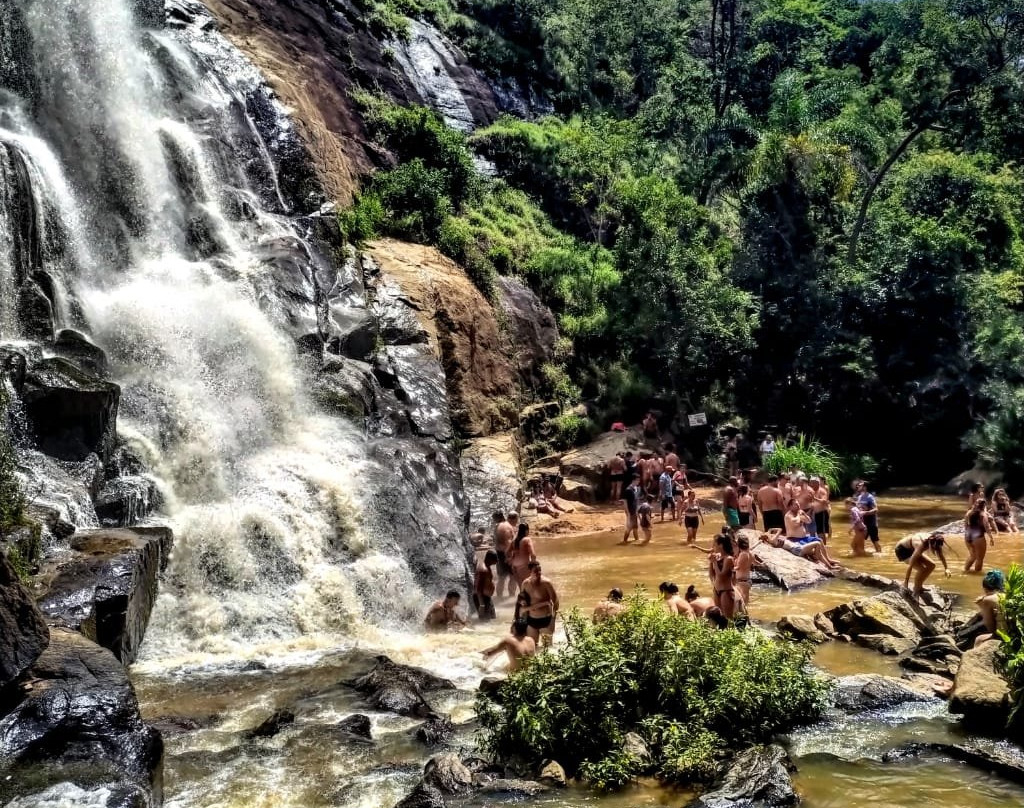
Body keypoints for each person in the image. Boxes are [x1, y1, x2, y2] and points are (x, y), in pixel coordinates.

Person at [896, 532, 950, 598]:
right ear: (930, 543)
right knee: (921, 569)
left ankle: (920, 586)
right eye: (934, 548)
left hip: (913, 549)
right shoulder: (920, 545)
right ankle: (916, 591)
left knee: (932, 565)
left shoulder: (936, 541)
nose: (934, 550)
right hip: (902, 550)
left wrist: (946, 568)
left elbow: (941, 555)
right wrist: (906, 583)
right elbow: (910, 565)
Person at [521, 561, 559, 643]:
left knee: (547, 647)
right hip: (531, 620)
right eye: (535, 571)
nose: (539, 573)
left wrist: (553, 619)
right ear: (529, 572)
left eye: (540, 570)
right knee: (533, 647)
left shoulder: (546, 583)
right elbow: (522, 604)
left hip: (546, 620)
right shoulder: (525, 584)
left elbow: (555, 602)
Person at [765, 531, 841, 569]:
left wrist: (769, 532)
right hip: (797, 549)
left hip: (798, 547)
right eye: (768, 535)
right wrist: (771, 530)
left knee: (818, 552)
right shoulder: (773, 541)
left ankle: (829, 566)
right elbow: (780, 530)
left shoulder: (775, 540)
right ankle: (817, 557)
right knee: (817, 543)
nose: (770, 534)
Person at [709, 532, 738, 619]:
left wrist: (714, 562)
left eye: (715, 543)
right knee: (718, 617)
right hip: (716, 590)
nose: (713, 546)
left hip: (726, 591)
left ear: (721, 545)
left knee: (728, 618)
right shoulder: (717, 557)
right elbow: (711, 575)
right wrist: (711, 562)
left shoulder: (728, 559)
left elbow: (721, 576)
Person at [963, 497, 995, 574]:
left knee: (972, 556)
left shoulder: (969, 512)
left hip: (968, 535)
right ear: (984, 506)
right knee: (979, 559)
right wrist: (991, 538)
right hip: (978, 536)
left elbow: (965, 525)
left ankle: (965, 571)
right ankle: (977, 575)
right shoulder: (983, 514)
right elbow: (987, 526)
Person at [974, 569, 1005, 645]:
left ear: (985, 588)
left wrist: (982, 607)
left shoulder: (988, 600)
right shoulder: (1009, 595)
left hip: (1003, 637)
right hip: (1016, 634)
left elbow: (991, 628)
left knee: (979, 639)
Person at [854, 480, 882, 554]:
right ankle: (861, 555)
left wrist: (865, 512)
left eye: (860, 485)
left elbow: (876, 509)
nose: (858, 486)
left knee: (875, 541)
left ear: (865, 487)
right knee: (859, 541)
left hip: (871, 523)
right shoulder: (859, 497)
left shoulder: (870, 497)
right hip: (862, 524)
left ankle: (880, 555)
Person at [494, 511, 516, 598]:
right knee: (513, 577)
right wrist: (510, 557)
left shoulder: (497, 526)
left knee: (501, 578)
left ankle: (499, 598)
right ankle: (511, 597)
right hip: (506, 554)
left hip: (499, 554)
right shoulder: (507, 526)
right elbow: (508, 542)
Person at [509, 521, 537, 586]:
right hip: (524, 567)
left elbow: (507, 553)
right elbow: (533, 555)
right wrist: (533, 568)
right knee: (529, 587)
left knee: (521, 588)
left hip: (514, 568)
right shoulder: (527, 539)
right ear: (526, 530)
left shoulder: (514, 541)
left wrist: (511, 561)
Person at [473, 551, 498, 621]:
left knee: (493, 617)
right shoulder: (483, 570)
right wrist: (481, 604)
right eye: (495, 559)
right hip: (481, 598)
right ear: (489, 559)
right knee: (484, 621)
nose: (496, 561)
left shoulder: (487, 566)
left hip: (486, 597)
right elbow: (478, 588)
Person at [734, 533, 754, 610]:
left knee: (742, 606)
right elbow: (755, 563)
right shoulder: (750, 553)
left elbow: (738, 567)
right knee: (744, 605)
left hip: (742, 582)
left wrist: (728, 568)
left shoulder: (743, 554)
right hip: (746, 581)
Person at [621, 474, 643, 543]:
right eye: (637, 480)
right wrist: (627, 513)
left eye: (639, 480)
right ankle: (624, 541)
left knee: (635, 527)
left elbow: (637, 501)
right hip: (630, 511)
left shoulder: (637, 489)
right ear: (633, 480)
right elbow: (625, 502)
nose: (638, 481)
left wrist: (638, 511)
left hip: (635, 510)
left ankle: (636, 540)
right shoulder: (628, 490)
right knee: (629, 527)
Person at [809, 478, 831, 543]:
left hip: (822, 513)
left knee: (822, 532)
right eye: (811, 482)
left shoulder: (822, 491)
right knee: (818, 531)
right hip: (815, 513)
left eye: (813, 482)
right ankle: (822, 545)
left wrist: (815, 498)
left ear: (817, 483)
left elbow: (824, 501)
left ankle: (824, 545)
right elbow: (812, 503)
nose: (812, 484)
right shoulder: (812, 491)